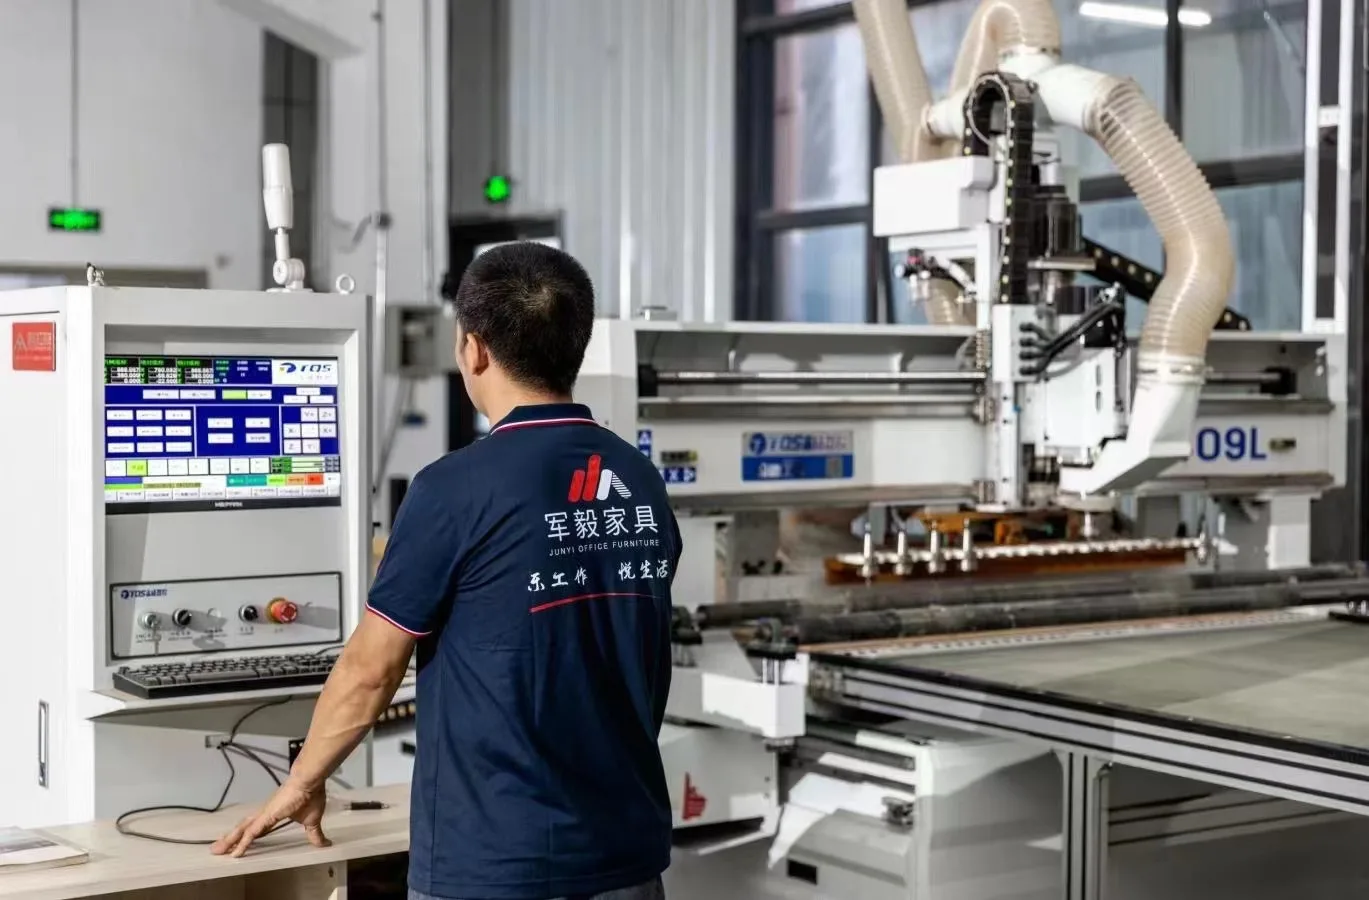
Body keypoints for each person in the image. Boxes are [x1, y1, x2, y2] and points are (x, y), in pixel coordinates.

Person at [212, 242, 681, 900]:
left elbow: (371, 671)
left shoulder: (453, 490)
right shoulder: (639, 480)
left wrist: (301, 782)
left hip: (496, 865)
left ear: (473, 349)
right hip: (626, 858)